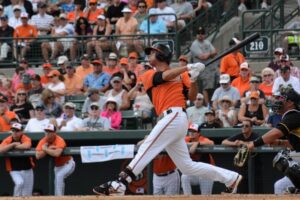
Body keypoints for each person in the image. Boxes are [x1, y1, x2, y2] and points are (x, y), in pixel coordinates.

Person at [92, 43, 242, 195]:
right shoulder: (148, 74)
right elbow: (163, 76)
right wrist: (187, 68)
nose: (149, 56)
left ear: (161, 55)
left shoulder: (182, 75)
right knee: (187, 167)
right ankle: (231, 178)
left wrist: (194, 78)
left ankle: (120, 184)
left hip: (175, 116)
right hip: (169, 118)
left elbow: (191, 96)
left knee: (147, 147)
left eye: (152, 53)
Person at [247, 87, 300, 194]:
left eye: (282, 99)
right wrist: (279, 142)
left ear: (290, 103)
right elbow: (296, 143)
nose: (279, 102)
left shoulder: (294, 114)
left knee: (282, 158)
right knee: (280, 186)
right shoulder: (293, 115)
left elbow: (276, 133)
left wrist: (253, 143)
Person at [36, 123, 76, 196]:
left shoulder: (59, 140)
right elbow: (38, 156)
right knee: (56, 182)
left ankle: (59, 197)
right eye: (46, 131)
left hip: (68, 164)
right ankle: (59, 196)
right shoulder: (43, 140)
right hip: (57, 166)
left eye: (50, 131)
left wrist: (45, 149)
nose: (47, 133)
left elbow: (57, 153)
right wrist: (47, 149)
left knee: (59, 176)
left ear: (54, 133)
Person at [222, 119, 260, 193]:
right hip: (242, 167)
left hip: (255, 166)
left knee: (255, 191)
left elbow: (256, 144)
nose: (244, 127)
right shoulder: (240, 135)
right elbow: (224, 142)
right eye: (242, 125)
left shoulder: (255, 135)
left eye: (247, 126)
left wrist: (243, 143)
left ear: (251, 128)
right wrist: (235, 144)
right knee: (242, 190)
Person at [0, 122, 34, 196]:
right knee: (19, 183)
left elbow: (27, 146)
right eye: (13, 130)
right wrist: (13, 144)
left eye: (17, 131)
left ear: (21, 131)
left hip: (27, 169)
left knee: (27, 194)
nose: (15, 133)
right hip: (14, 169)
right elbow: (1, 149)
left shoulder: (25, 138)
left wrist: (11, 147)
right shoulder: (8, 139)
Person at [181, 123, 215, 195]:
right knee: (184, 177)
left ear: (199, 133)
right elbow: (180, 143)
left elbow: (211, 143)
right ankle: (187, 197)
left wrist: (197, 143)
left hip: (206, 172)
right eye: (190, 131)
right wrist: (192, 144)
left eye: (194, 131)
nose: (191, 133)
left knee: (205, 196)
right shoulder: (187, 139)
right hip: (195, 172)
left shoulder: (202, 139)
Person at [190, 26, 218, 106]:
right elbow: (202, 57)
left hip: (210, 68)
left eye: (202, 33)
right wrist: (210, 54)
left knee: (213, 86)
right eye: (198, 33)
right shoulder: (194, 44)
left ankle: (212, 104)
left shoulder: (207, 42)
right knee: (205, 88)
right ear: (196, 35)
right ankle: (207, 105)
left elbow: (215, 51)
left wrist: (208, 54)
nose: (200, 35)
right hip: (200, 69)